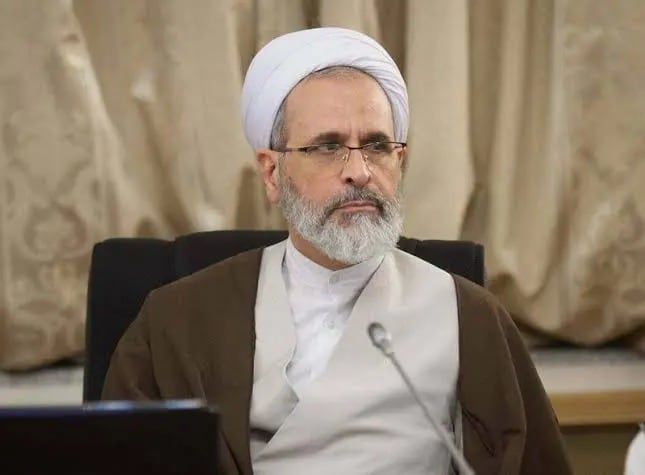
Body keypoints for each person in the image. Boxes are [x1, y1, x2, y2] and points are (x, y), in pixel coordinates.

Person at [102, 27, 571, 475]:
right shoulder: (177, 321)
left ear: (400, 162)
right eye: (328, 147)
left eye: (377, 146)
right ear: (272, 173)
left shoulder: (470, 317)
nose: (359, 172)